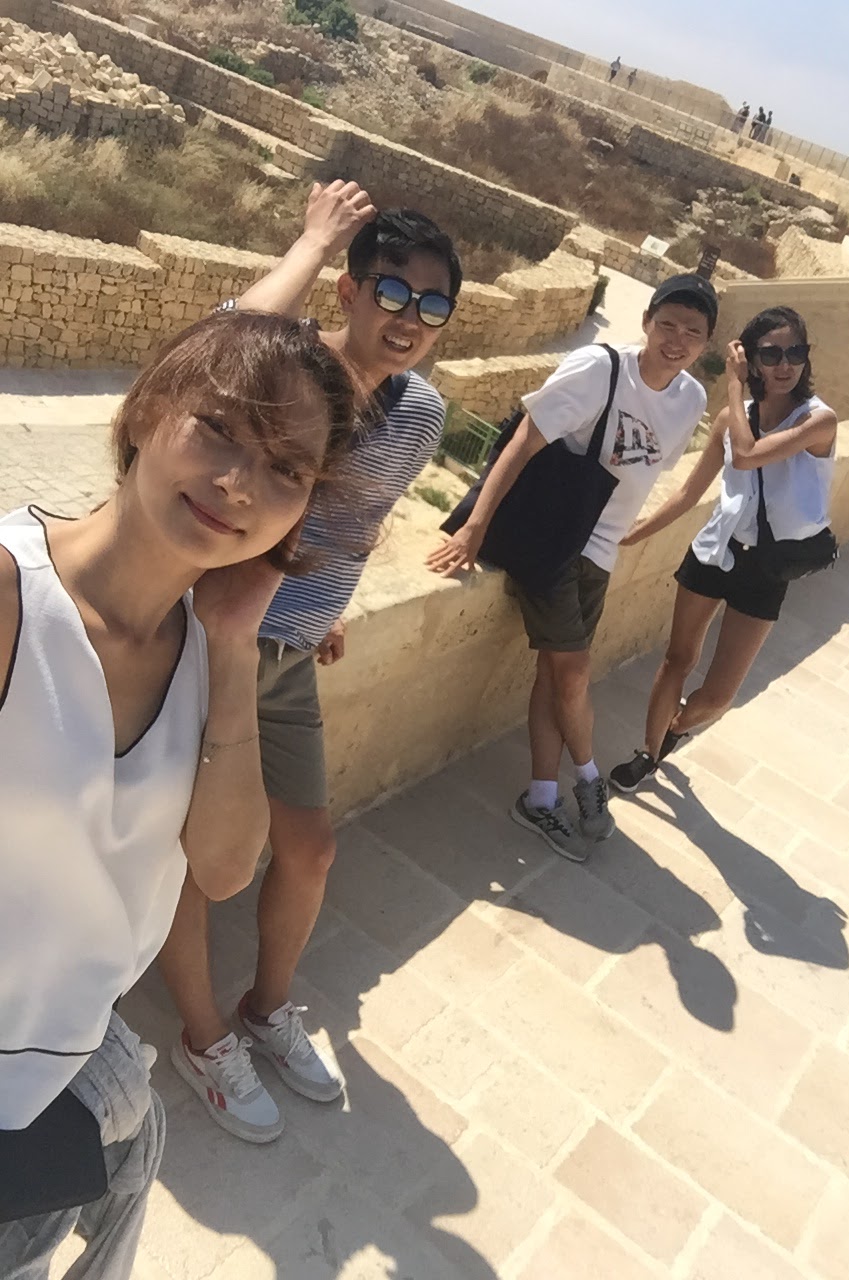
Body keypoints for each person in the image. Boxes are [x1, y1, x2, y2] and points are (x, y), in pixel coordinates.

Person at [0, 310, 356, 1276]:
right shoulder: (12, 596)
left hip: (55, 1084)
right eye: (220, 428)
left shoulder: (205, 651)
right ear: (147, 407)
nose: (240, 484)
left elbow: (226, 867)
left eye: (287, 470)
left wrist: (234, 645)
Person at [159, 183, 462, 1142]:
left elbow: (356, 524)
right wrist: (311, 242)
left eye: (433, 304)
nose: (409, 318)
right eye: (392, 291)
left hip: (290, 649)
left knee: (310, 848)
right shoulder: (287, 369)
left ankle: (265, 1008)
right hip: (208, 635)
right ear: (349, 290)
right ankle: (203, 1035)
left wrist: (326, 609)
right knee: (195, 855)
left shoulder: (421, 415)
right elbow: (213, 344)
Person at [427, 274, 717, 862]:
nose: (676, 340)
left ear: (706, 343)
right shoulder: (598, 369)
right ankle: (588, 779)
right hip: (555, 541)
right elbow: (524, 441)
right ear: (646, 322)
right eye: (666, 324)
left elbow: (650, 474)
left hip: (600, 553)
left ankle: (539, 797)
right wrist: (475, 526)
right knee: (576, 671)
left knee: (555, 676)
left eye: (692, 332)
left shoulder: (690, 400)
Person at [610, 306, 837, 792]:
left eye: (794, 352)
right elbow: (687, 493)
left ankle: (675, 727)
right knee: (677, 659)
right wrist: (633, 533)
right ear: (752, 359)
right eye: (770, 354)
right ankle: (648, 753)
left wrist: (734, 385)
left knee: (718, 696)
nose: (784, 365)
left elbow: (749, 454)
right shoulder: (729, 422)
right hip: (715, 549)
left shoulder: (818, 421)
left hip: (767, 568)